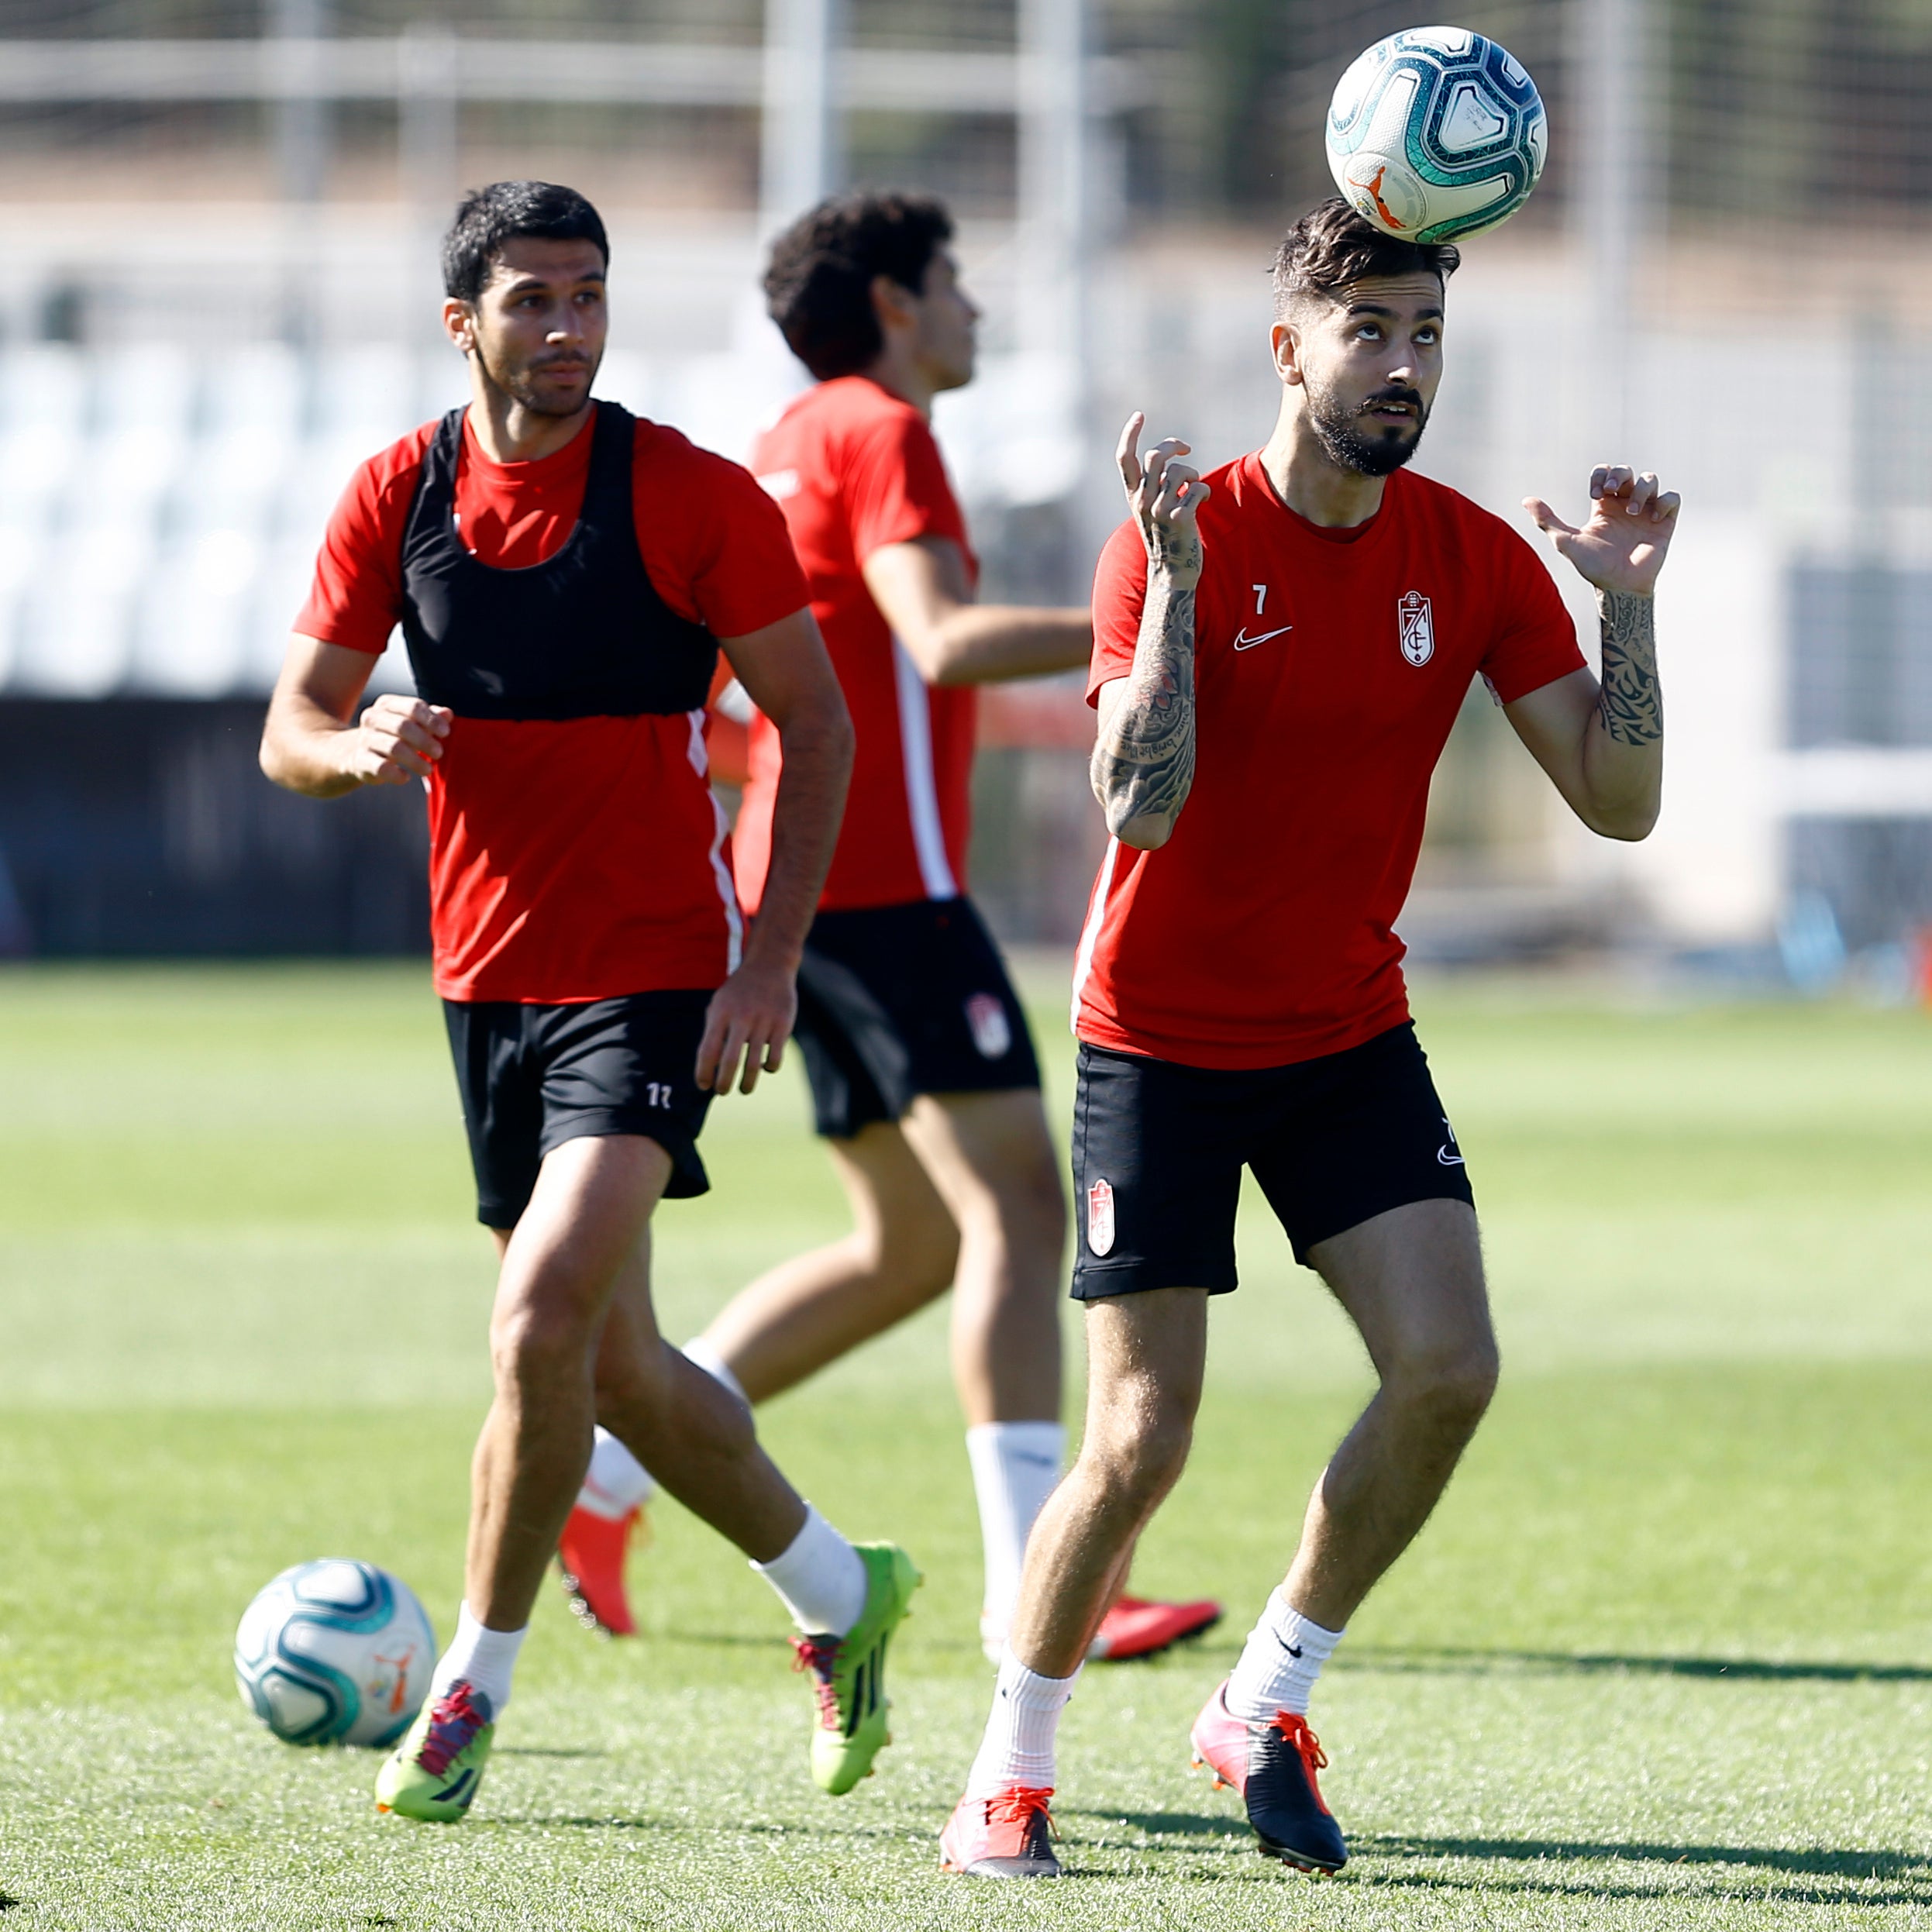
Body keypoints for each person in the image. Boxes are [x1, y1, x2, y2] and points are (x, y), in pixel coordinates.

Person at [939, 195, 1681, 1879]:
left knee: (1449, 1369)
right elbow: (1137, 804)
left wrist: (1626, 608)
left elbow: (1620, 803)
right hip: (1157, 1039)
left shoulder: (1471, 556)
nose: (1403, 364)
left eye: (1426, 335)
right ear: (1288, 347)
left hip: (1344, 1030)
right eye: (1369, 331)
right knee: (1139, 1436)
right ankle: (1008, 1769)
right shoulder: (1172, 535)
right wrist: (1178, 592)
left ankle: (1259, 1695)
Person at [258, 180, 918, 1825]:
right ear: (461, 321)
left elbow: (817, 726)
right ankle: (845, 1592)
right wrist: (358, 747)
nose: (568, 328)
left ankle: (466, 1692)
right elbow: (290, 725)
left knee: (538, 1318)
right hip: (485, 980)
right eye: (533, 299)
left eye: (590, 296)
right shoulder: (394, 491)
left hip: (652, 970)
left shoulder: (688, 493)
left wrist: (766, 959)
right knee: (611, 1365)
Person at [563, 190, 1220, 1668]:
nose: (974, 308)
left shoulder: (785, 441)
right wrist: (1163, 613)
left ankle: (605, 1474)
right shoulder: (884, 431)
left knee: (913, 1240)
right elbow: (942, 638)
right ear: (896, 306)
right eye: (954, 280)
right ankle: (1043, 1584)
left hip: (799, 888)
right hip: (886, 888)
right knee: (1023, 1212)